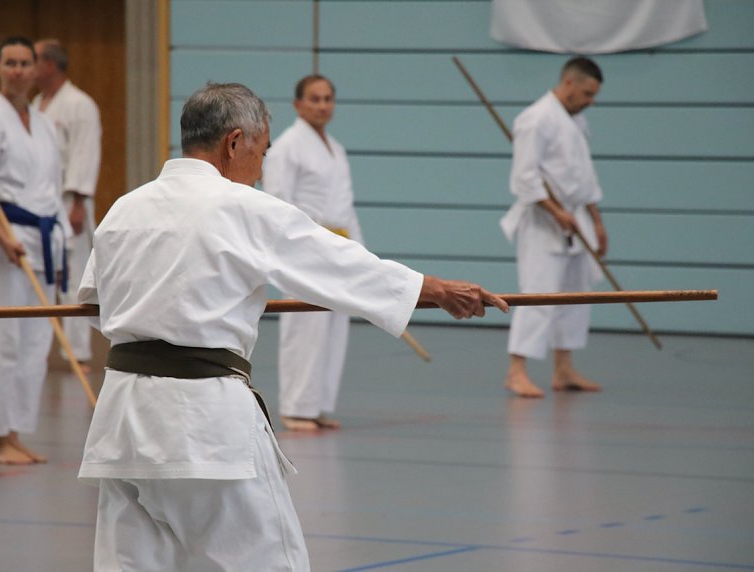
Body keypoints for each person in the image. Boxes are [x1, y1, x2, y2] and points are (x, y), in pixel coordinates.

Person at [76, 82, 508, 570]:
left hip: (120, 424)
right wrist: (438, 290)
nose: (259, 170)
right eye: (260, 152)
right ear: (234, 143)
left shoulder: (124, 208)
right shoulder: (241, 206)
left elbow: (96, 306)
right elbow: (337, 263)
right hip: (204, 427)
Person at [0, 37, 69, 464]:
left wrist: (57, 238)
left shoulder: (44, 123)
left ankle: (13, 431)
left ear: (38, 69)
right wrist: (3, 238)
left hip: (41, 243)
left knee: (33, 342)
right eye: (11, 63)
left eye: (26, 63)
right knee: (1, 341)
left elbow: (52, 190)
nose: (20, 70)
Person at [499, 56, 609, 399]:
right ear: (569, 84)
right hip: (543, 222)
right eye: (587, 93)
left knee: (577, 295)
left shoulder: (576, 120)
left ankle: (563, 368)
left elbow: (584, 176)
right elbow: (525, 178)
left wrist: (597, 219)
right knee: (538, 295)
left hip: (575, 217)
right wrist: (555, 212)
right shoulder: (536, 119)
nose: (590, 101)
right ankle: (516, 371)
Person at [262, 74, 360, 431]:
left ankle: (317, 405)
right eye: (315, 99)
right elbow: (277, 200)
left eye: (328, 98)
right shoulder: (287, 145)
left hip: (338, 247)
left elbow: (345, 208)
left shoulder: (336, 148)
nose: (322, 105)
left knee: (333, 327)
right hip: (305, 247)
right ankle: (296, 407)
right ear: (297, 104)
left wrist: (358, 254)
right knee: (305, 328)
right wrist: (292, 247)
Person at [33, 38, 102, 372]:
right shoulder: (37, 103)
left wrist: (78, 202)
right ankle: (42, 344)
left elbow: (86, 154)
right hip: (39, 203)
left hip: (69, 202)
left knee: (73, 275)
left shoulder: (79, 104)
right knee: (43, 273)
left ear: (50, 65)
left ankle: (78, 351)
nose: (29, 68)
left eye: (33, 60)